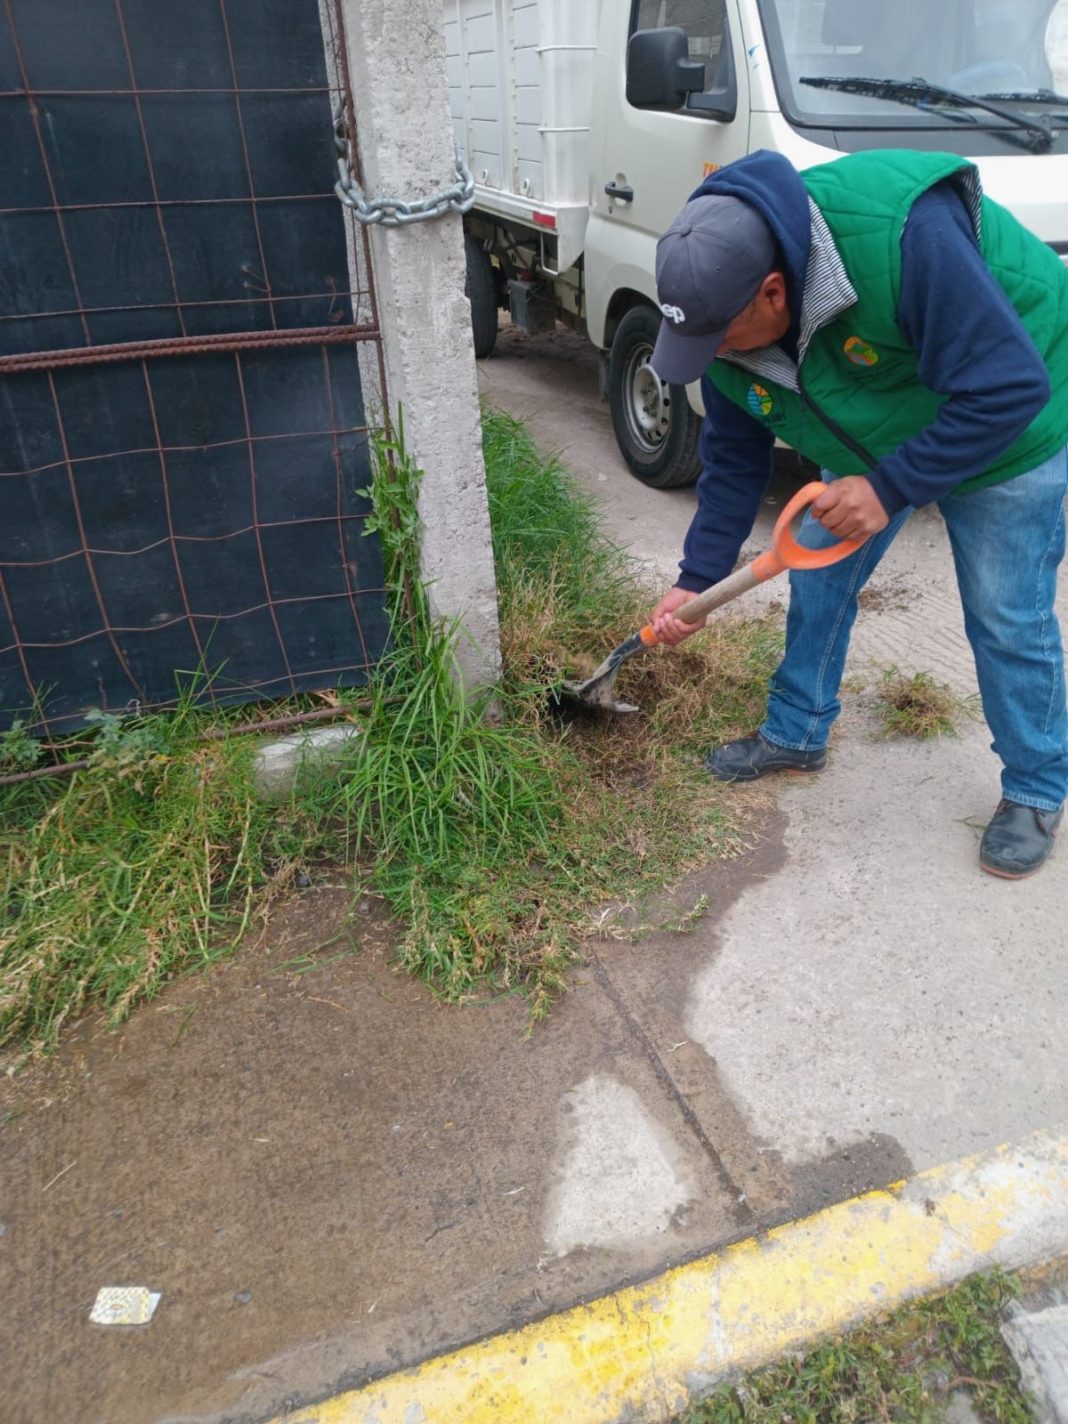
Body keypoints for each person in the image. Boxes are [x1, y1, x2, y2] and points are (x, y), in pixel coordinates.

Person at [648, 148, 1068, 879]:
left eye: (714, 341)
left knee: (1006, 612)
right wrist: (697, 579)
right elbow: (735, 457)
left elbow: (1007, 384)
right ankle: (797, 732)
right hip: (878, 414)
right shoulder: (719, 308)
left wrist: (886, 488)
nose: (708, 356)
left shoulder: (904, 238)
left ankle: (1035, 787)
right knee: (819, 576)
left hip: (1011, 411)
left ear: (773, 294)